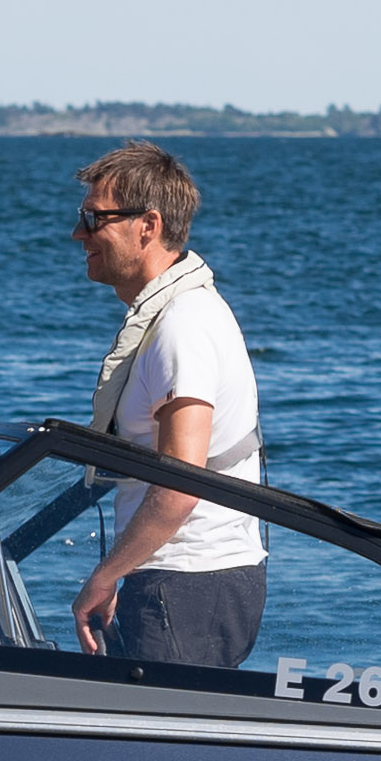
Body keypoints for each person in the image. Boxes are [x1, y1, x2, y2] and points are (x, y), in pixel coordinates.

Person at [66, 140, 266, 669]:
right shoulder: (173, 315)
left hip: (188, 584)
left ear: (147, 227)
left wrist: (104, 577)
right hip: (180, 581)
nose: (78, 233)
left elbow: (181, 481)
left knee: (164, 750)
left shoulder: (182, 326)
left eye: (92, 217)